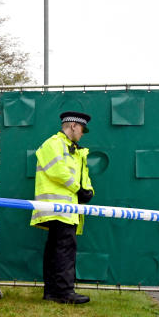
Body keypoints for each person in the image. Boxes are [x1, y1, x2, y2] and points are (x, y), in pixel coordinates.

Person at [30, 111, 94, 304]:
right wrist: (79, 190)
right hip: (59, 208)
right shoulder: (54, 144)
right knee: (65, 249)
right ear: (73, 126)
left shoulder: (75, 150)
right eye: (82, 128)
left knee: (56, 249)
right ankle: (65, 293)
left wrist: (88, 191)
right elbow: (58, 171)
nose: (83, 133)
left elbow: (83, 177)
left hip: (65, 208)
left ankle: (52, 292)